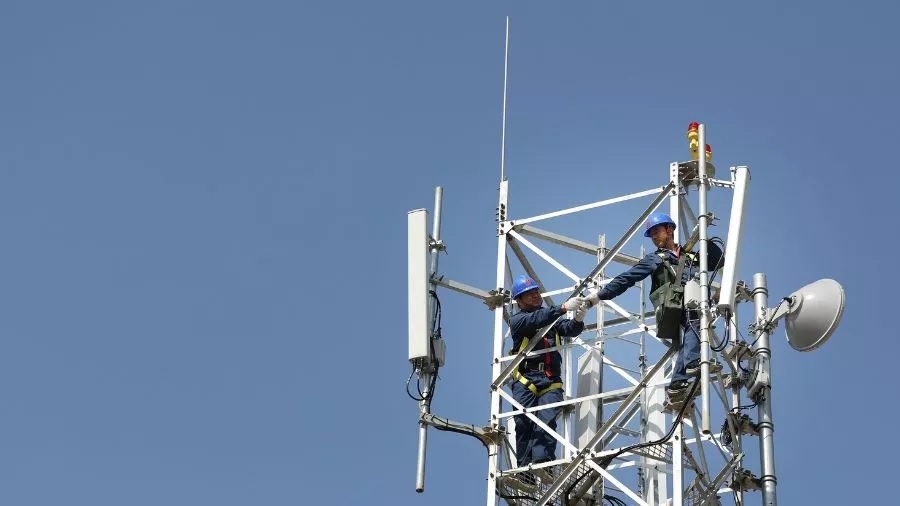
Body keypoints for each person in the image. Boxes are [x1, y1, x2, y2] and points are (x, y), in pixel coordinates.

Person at [583, 213, 723, 397]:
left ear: (670, 230)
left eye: (657, 231)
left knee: (693, 331)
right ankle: (691, 364)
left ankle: (677, 382)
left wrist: (705, 239)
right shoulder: (656, 258)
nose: (654, 237)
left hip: (692, 301)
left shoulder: (688, 256)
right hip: (673, 303)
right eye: (651, 235)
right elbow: (627, 278)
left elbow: (716, 261)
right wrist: (599, 296)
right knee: (695, 323)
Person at [508, 274, 586, 478]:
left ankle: (543, 464)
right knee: (523, 423)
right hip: (527, 379)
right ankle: (525, 473)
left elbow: (568, 329)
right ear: (519, 301)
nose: (535, 296)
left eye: (536, 292)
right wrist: (561, 308)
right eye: (529, 294)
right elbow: (536, 320)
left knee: (547, 420)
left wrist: (577, 319)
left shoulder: (550, 318)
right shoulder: (518, 320)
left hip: (550, 380)